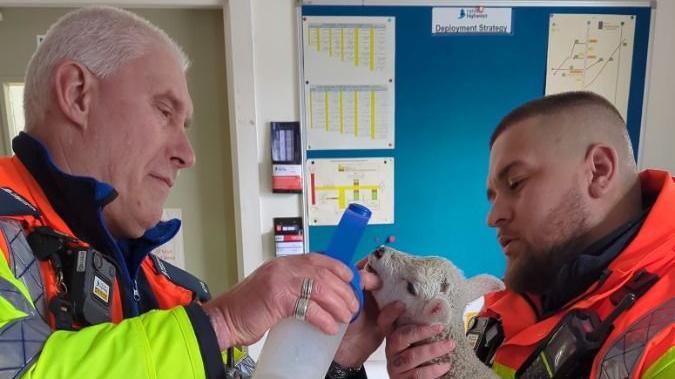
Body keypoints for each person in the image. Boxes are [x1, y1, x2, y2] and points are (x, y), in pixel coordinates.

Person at [0, 6, 383, 378]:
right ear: (77, 93)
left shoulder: (176, 294)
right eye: (165, 112)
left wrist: (330, 359)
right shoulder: (200, 321)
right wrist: (222, 322)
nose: (187, 154)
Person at [380, 92, 674, 378]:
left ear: (598, 170)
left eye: (515, 183)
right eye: (493, 197)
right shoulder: (499, 307)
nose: (493, 217)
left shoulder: (664, 334)